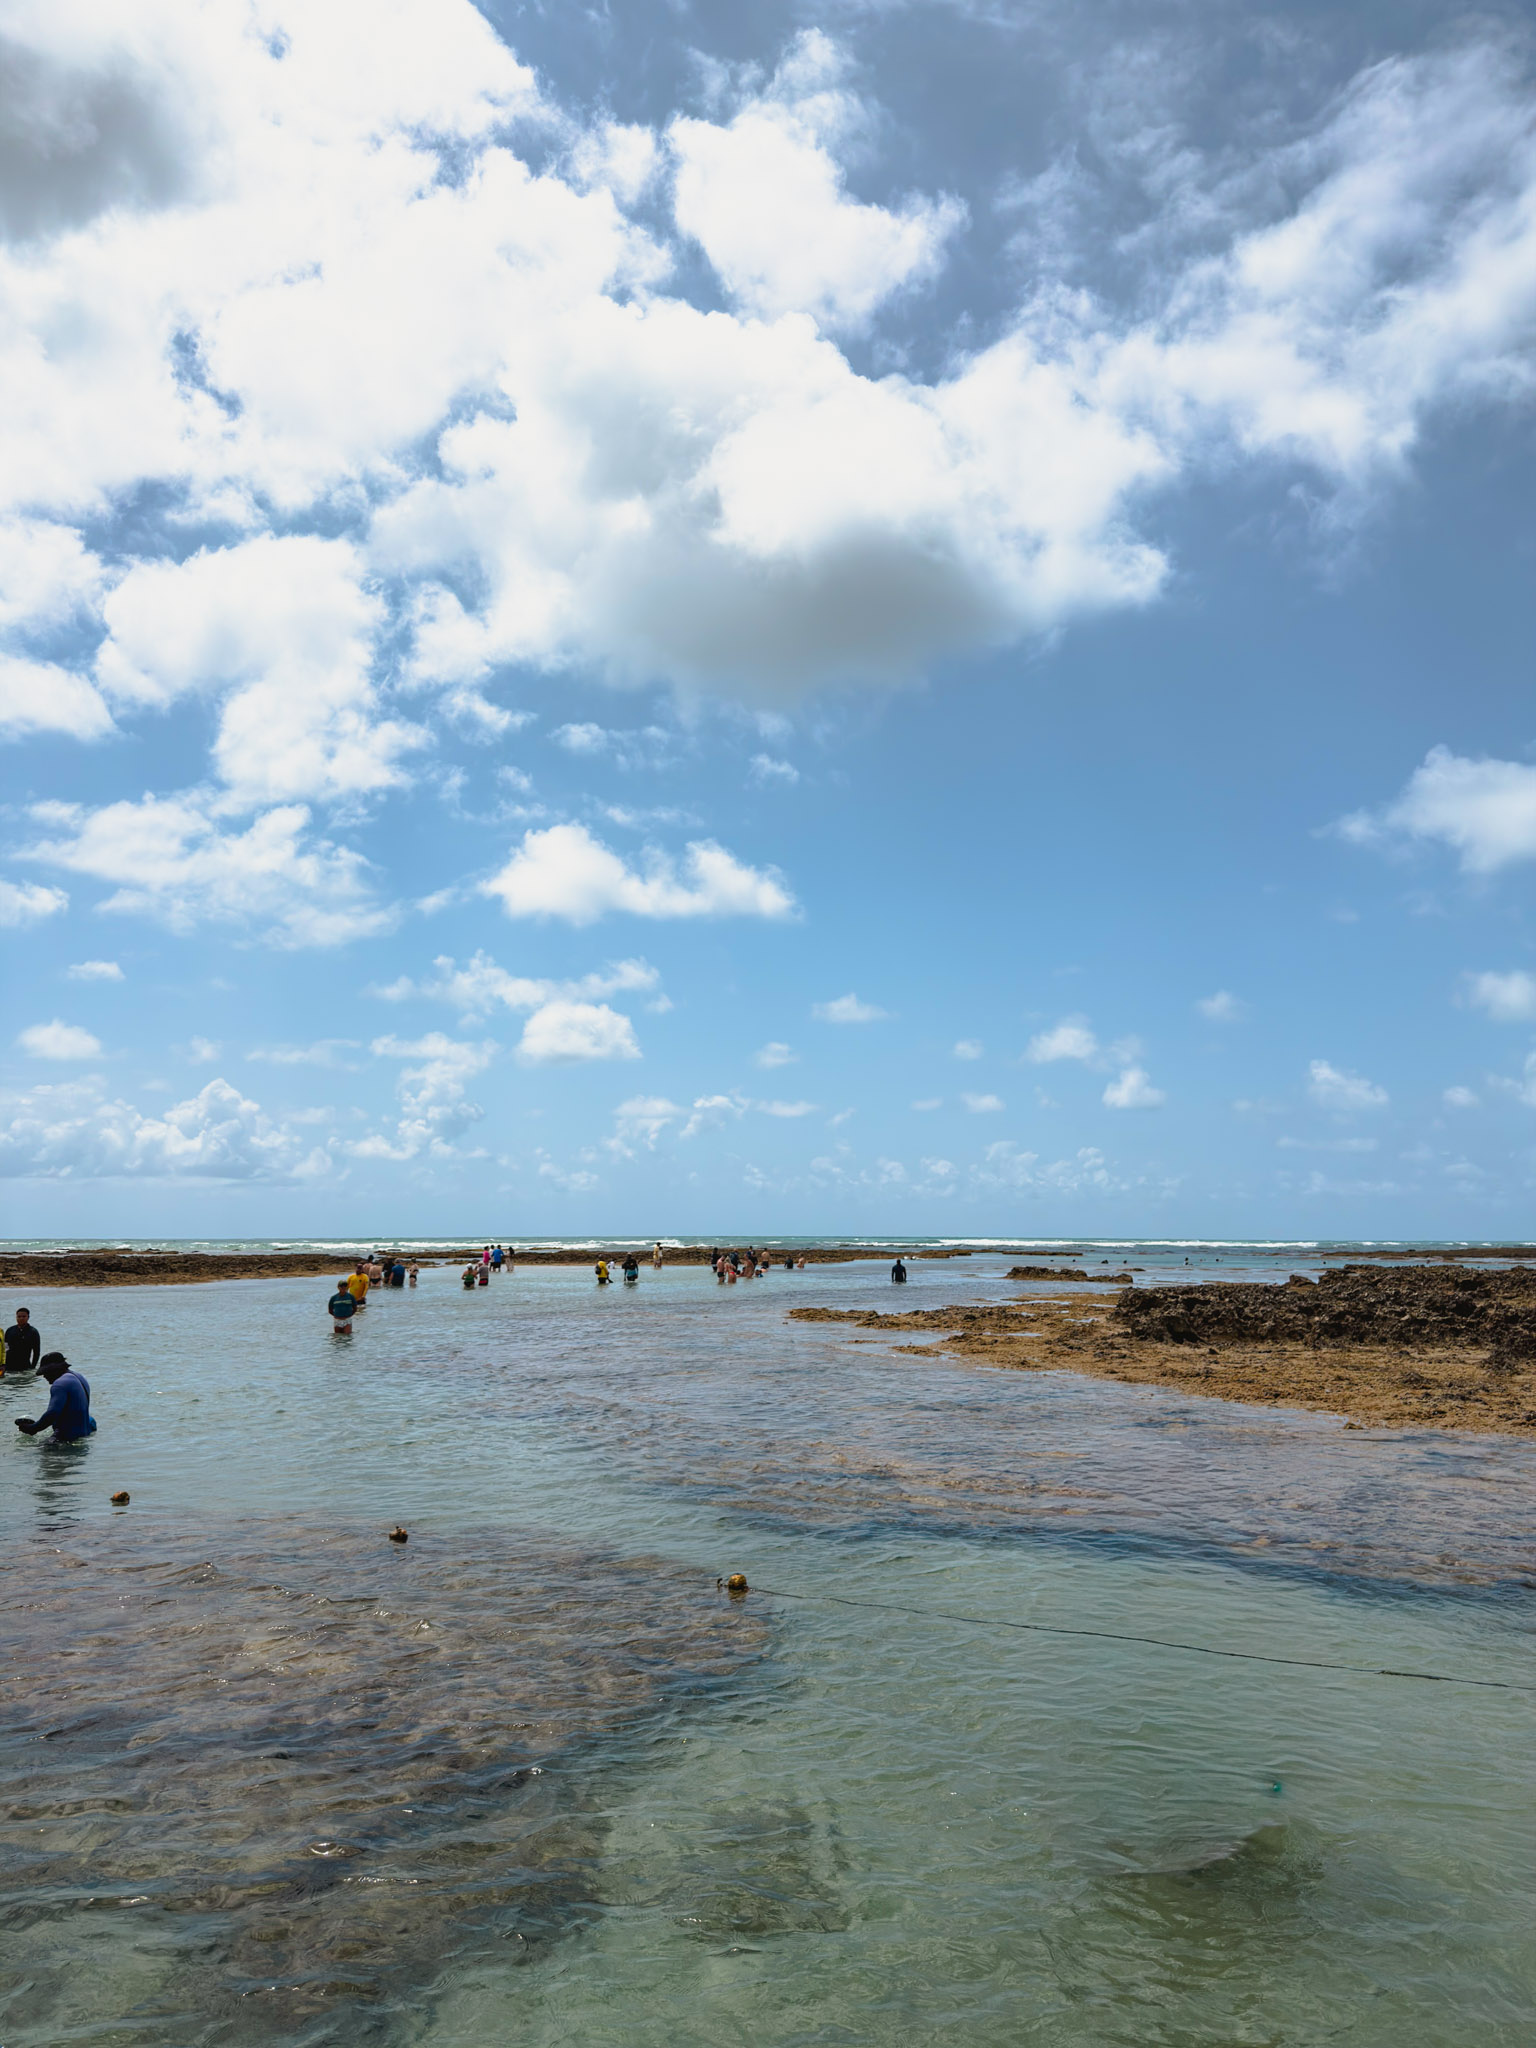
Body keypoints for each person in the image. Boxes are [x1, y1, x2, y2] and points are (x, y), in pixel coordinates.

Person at [15, 1353, 95, 1441]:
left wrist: (33, 1428)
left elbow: (53, 1413)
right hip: (84, 1432)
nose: (44, 1376)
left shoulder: (59, 1384)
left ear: (54, 1370)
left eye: (46, 1372)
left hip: (66, 1437)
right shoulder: (78, 1377)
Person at [4, 1306, 40, 1377]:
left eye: (24, 1316)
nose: (21, 1318)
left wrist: (33, 1367)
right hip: (9, 1366)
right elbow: (5, 1348)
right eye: (19, 1316)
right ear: (16, 1317)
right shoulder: (10, 1330)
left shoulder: (33, 1332)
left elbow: (36, 1352)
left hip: (24, 1367)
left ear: (28, 1317)